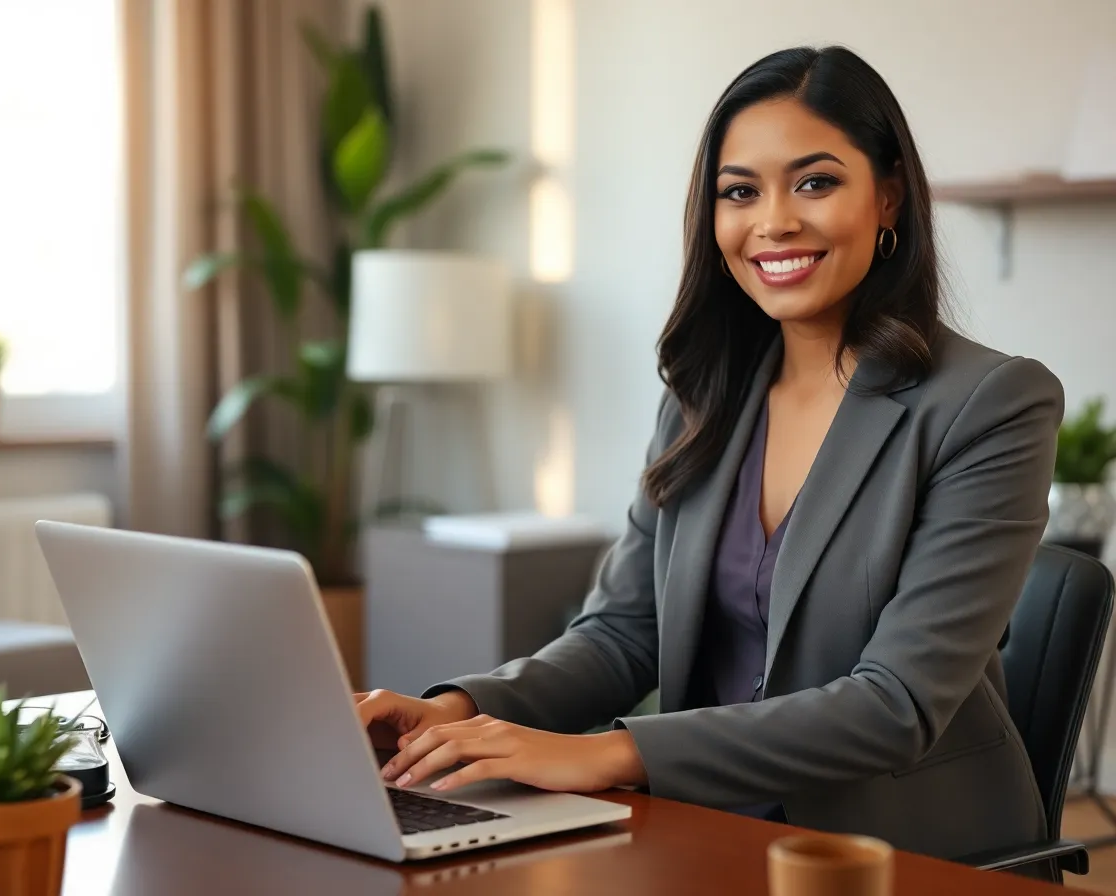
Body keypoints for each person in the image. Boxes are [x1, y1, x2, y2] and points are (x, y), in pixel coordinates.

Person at [355, 45, 1063, 863]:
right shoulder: (705, 397)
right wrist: (459, 707)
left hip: (903, 851)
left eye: (815, 182)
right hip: (706, 823)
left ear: (889, 193)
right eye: (740, 192)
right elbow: (623, 633)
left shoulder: (992, 404)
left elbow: (894, 703)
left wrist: (614, 752)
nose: (774, 223)